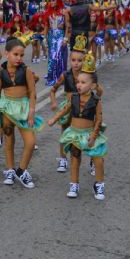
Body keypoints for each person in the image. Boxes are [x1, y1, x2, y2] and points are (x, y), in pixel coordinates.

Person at [48, 50, 107, 200]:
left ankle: (99, 185)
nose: (79, 85)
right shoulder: (73, 97)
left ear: (92, 85)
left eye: (83, 82)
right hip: (74, 132)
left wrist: (93, 136)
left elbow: (99, 120)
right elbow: (65, 110)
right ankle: (74, 184)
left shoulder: (95, 101)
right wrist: (54, 119)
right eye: (78, 82)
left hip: (89, 133)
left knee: (99, 159)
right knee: (75, 158)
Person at [0, 37, 44, 188]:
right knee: (9, 139)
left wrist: (32, 111)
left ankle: (21, 170)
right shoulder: (1, 73)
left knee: (30, 142)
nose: (19, 58)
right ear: (7, 54)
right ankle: (9, 169)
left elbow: (33, 92)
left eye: (21, 55)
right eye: (16, 54)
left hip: (23, 109)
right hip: (7, 109)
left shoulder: (26, 70)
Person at [43, 0, 69, 86]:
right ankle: (51, 77)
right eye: (50, 1)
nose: (51, 2)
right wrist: (44, 38)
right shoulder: (47, 12)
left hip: (60, 36)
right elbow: (46, 26)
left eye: (53, 0)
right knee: (51, 57)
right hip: (51, 36)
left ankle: (59, 77)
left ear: (57, 1)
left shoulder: (63, 11)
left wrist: (66, 38)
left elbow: (68, 26)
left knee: (58, 57)